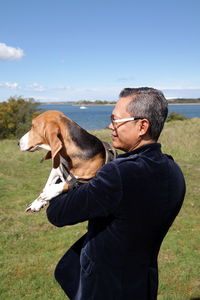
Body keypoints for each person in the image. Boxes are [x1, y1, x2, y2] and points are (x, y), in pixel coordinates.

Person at [46, 87, 186, 300]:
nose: (110, 127)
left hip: (104, 287)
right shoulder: (174, 171)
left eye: (116, 121)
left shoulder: (118, 174)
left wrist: (62, 169)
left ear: (142, 126)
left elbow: (57, 214)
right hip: (143, 284)